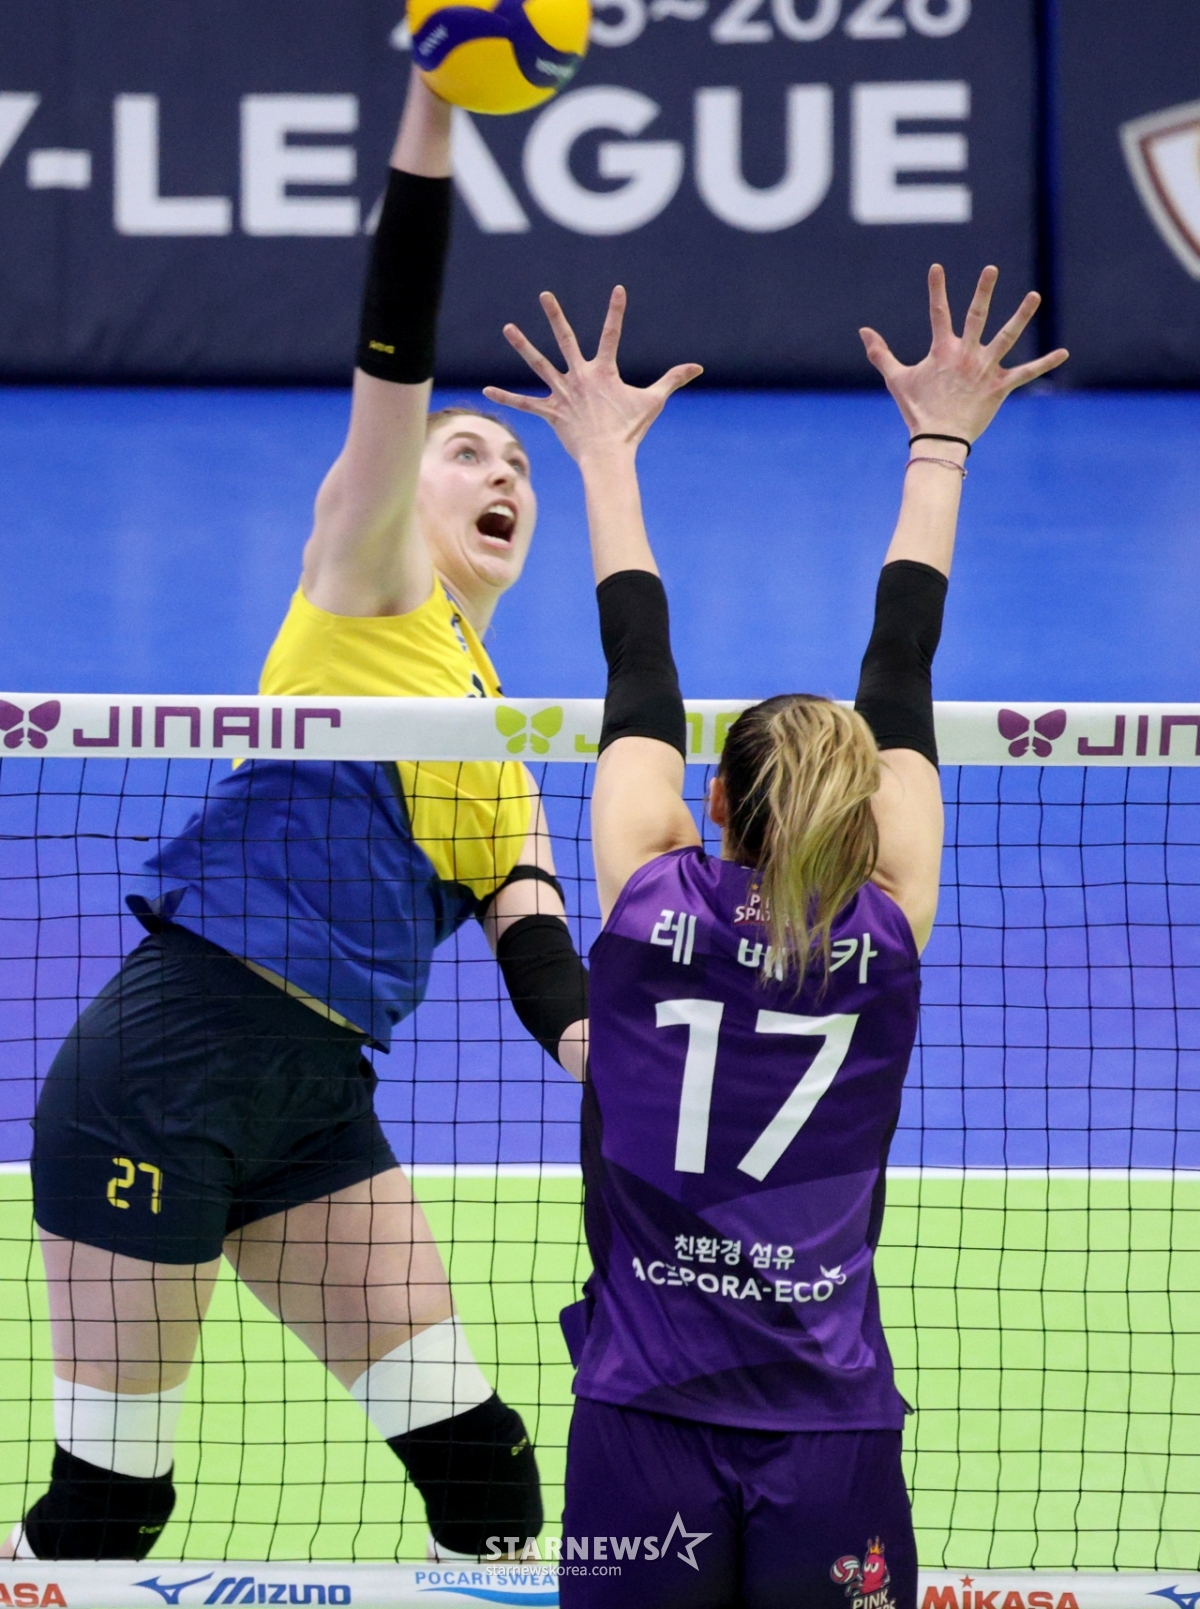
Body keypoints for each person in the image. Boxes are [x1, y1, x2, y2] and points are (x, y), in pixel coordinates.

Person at [7, 71, 588, 1564]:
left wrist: (625, 1067)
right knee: (111, 1506)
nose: (502, 471)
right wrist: (435, 119)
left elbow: (537, 945)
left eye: (519, 465)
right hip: (166, 1072)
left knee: (487, 1479)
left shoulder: (509, 748)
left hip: (312, 1103)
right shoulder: (365, 588)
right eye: (469, 452)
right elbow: (393, 350)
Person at [484, 267, 1068, 1606]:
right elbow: (901, 667)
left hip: (641, 1415)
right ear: (870, 821)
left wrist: (603, 454)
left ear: (709, 805)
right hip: (828, 1431)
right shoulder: (889, 925)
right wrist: (941, 442)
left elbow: (637, 666)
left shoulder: (649, 900)